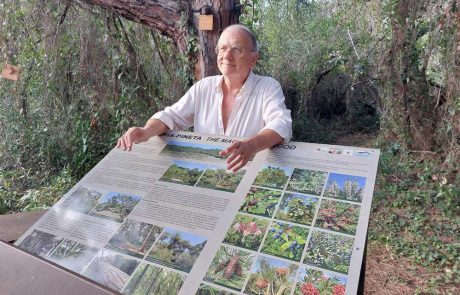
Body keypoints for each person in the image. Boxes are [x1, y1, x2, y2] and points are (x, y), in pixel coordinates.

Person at [117, 24, 292, 172]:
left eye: (236, 49)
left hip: (247, 179)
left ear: (253, 59)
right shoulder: (204, 87)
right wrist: (146, 131)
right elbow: (171, 116)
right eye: (223, 48)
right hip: (205, 179)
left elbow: (281, 124)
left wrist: (252, 145)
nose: (227, 55)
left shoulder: (267, 86)